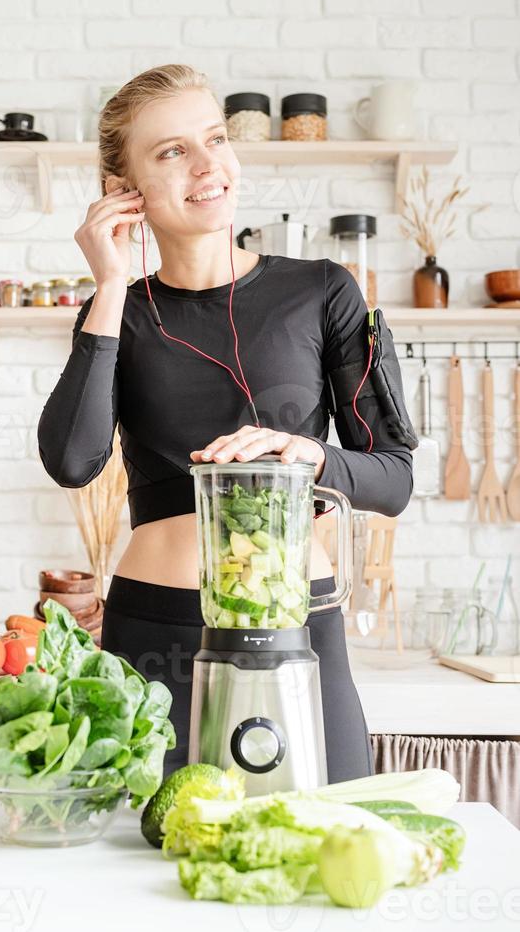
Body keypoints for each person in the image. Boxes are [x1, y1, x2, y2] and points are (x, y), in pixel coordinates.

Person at [37, 64, 415, 783]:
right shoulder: (119, 314)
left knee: (324, 838)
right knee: (141, 864)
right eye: (172, 151)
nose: (209, 165)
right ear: (124, 191)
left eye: (215, 138)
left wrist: (304, 454)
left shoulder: (324, 291)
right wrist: (109, 285)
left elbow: (393, 477)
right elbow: (72, 460)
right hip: (155, 633)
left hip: (299, 624)